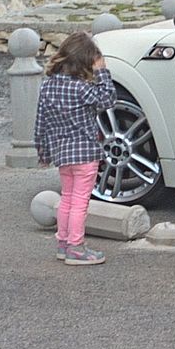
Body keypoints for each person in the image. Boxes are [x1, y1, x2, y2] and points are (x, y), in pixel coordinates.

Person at [34, 31, 117, 266]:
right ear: (85, 62)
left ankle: (63, 243)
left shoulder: (48, 87)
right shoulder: (82, 89)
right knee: (81, 201)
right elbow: (108, 99)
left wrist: (43, 152)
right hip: (85, 153)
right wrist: (102, 71)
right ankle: (76, 248)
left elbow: (40, 122)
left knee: (67, 198)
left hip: (62, 153)